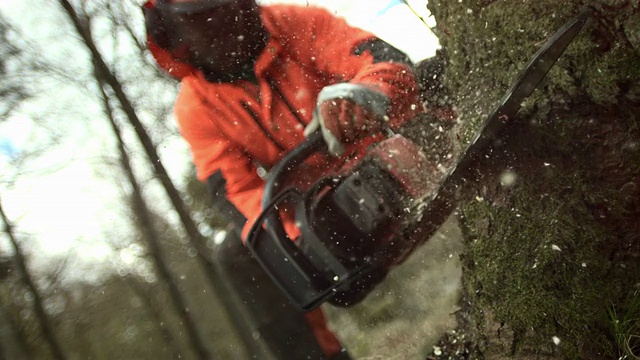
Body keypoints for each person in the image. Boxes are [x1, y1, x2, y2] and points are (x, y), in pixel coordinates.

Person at [142, 0, 420, 358]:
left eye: (226, 10)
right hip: (312, 202)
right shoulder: (196, 106)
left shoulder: (295, 23)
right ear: (177, 30)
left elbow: (376, 57)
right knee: (240, 253)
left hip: (380, 145)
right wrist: (300, 236)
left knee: (430, 79)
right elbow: (235, 191)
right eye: (203, 19)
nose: (222, 25)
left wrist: (367, 96)